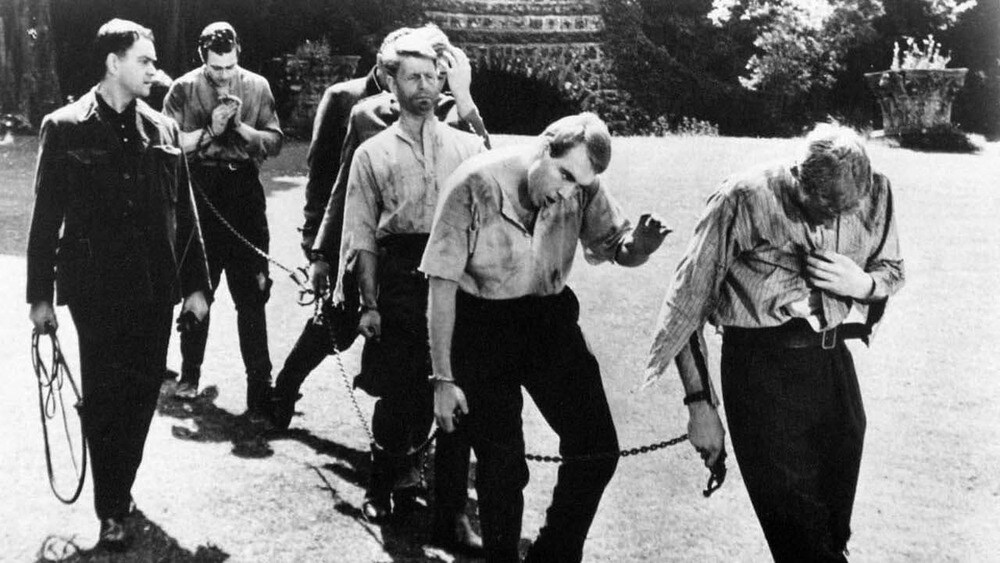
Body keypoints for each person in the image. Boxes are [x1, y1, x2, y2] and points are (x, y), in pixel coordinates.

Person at [645, 123, 905, 562]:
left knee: (831, 534)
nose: (831, 223)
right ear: (798, 175)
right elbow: (685, 306)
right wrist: (700, 405)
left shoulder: (876, 190)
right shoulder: (742, 198)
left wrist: (861, 284)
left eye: (844, 211)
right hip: (762, 375)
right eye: (821, 209)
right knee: (805, 546)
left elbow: (892, 270)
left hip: (832, 368)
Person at [422, 112, 671, 562]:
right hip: (480, 326)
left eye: (581, 185)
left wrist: (641, 247)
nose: (569, 192)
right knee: (502, 469)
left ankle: (553, 555)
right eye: (565, 176)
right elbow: (440, 287)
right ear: (542, 147)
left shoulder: (583, 184)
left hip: (548, 321)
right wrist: (443, 379)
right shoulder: (473, 184)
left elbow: (617, 246)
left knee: (597, 448)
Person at [26, 18, 210, 550]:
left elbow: (185, 214)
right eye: (144, 60)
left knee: (142, 395)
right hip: (95, 290)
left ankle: (118, 483)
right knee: (106, 396)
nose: (154, 70)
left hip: (154, 288)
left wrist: (197, 287)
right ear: (114, 63)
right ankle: (111, 506)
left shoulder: (164, 129)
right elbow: (45, 218)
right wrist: (40, 297)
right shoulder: (65, 127)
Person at [271, 24, 489, 430]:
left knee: (420, 349)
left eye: (437, 69)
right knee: (334, 324)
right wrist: (320, 253)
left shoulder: (451, 115)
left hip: (427, 258)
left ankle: (410, 446)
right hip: (366, 244)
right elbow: (338, 188)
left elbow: (484, 169)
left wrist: (465, 99)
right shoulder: (361, 112)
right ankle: (285, 387)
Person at [334, 29, 487, 554]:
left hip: (456, 275)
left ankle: (452, 515)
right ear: (390, 82)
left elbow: (500, 186)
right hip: (399, 274)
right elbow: (361, 235)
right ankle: (380, 486)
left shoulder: (467, 146)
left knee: (454, 389)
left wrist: (467, 101)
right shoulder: (371, 153)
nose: (424, 86)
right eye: (412, 77)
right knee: (399, 389)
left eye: (432, 76)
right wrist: (369, 304)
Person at [163, 22, 283, 420]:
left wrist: (242, 129)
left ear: (238, 55)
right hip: (201, 191)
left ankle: (259, 388)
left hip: (244, 194)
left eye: (230, 67)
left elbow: (275, 141)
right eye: (216, 68)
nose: (224, 75)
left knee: (253, 292)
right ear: (203, 59)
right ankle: (189, 373)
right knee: (198, 286)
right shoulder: (182, 89)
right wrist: (210, 130)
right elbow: (167, 143)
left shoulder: (258, 86)